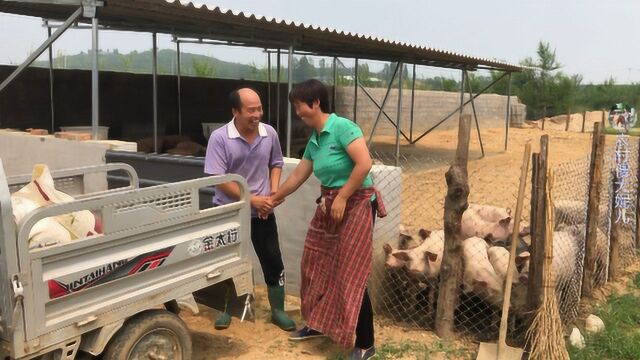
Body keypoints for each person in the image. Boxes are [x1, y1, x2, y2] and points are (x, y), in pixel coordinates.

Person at [271, 79, 386, 360]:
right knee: (315, 262)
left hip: (357, 203)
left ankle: (365, 343)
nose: (296, 111)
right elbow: (299, 175)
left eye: (298, 105)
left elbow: (364, 164)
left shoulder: (344, 128)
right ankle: (317, 323)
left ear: (315, 103)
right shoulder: (315, 139)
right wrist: (273, 199)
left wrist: (344, 197)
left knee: (350, 272)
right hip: (330, 204)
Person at [204, 87, 295, 332]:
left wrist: (273, 194)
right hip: (230, 212)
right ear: (236, 111)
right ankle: (226, 308)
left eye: (259, 109)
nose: (257, 114)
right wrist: (252, 199)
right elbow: (218, 177)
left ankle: (278, 310)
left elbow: (275, 163)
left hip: (263, 212)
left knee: (273, 259)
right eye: (250, 110)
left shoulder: (270, 133)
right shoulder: (220, 138)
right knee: (228, 261)